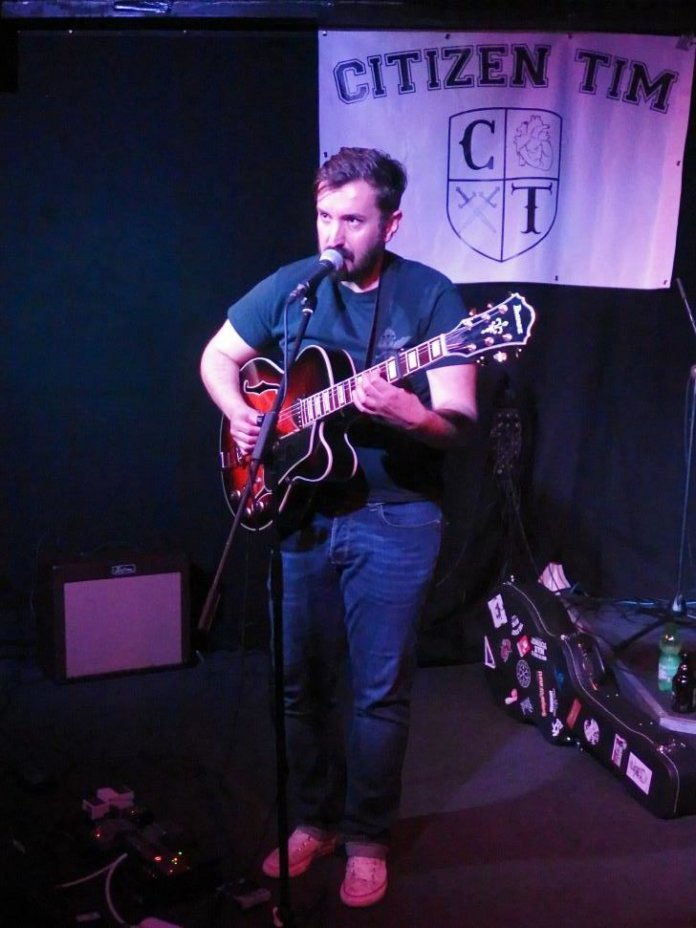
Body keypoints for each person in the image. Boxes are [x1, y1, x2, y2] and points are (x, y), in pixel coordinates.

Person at [200, 147, 478, 908]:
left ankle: (367, 839)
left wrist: (412, 414)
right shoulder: (296, 287)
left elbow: (459, 420)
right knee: (300, 685)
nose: (333, 234)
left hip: (397, 515)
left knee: (378, 694)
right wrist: (243, 415)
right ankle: (314, 821)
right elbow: (218, 357)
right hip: (301, 512)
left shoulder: (432, 297)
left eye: (352, 220)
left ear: (392, 223)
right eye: (324, 216)